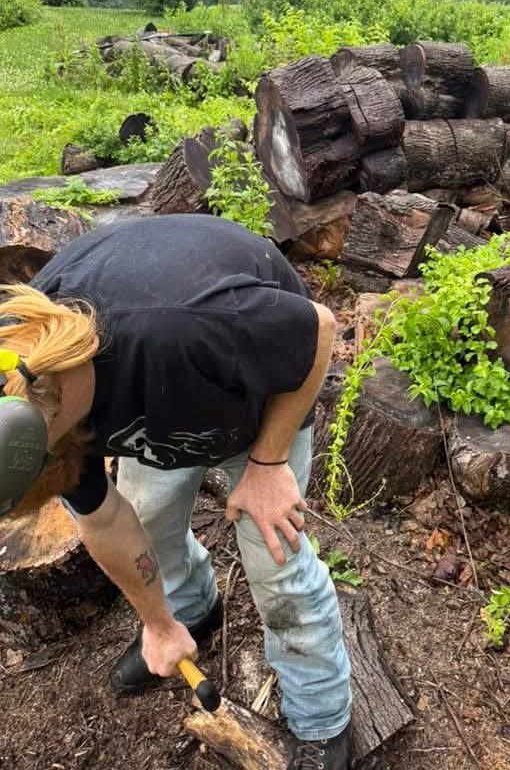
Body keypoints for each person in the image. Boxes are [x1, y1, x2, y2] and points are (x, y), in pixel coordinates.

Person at [0, 214, 352, 770]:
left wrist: (268, 462)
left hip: (258, 398)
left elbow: (319, 329)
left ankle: (322, 718)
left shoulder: (184, 326)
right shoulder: (25, 389)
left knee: (275, 563)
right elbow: (104, 520)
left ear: (54, 407)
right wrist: (158, 624)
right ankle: (188, 613)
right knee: (147, 516)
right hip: (168, 402)